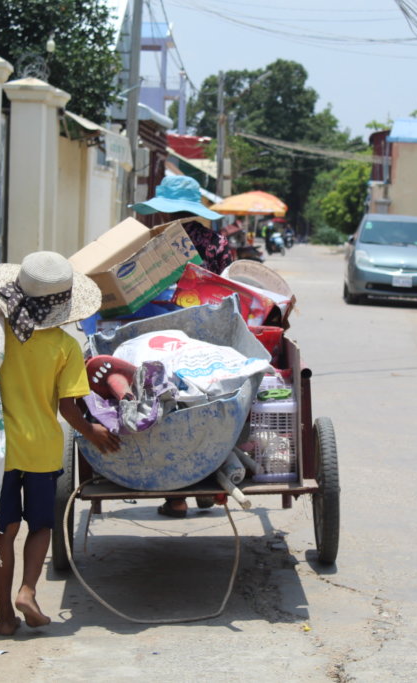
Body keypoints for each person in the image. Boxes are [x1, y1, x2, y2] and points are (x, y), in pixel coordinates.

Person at [0, 251, 120, 635]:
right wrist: (93, 431)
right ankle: (27, 591)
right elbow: (69, 410)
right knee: (41, 527)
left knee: (3, 532)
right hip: (43, 449)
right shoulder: (65, 346)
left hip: (1, 449)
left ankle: (4, 616)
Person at [130, 175, 232, 518]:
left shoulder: (153, 243)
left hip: (156, 338)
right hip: (204, 338)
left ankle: (176, 497)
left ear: (164, 213)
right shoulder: (217, 244)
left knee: (166, 400)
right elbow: (228, 293)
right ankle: (206, 476)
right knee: (204, 400)